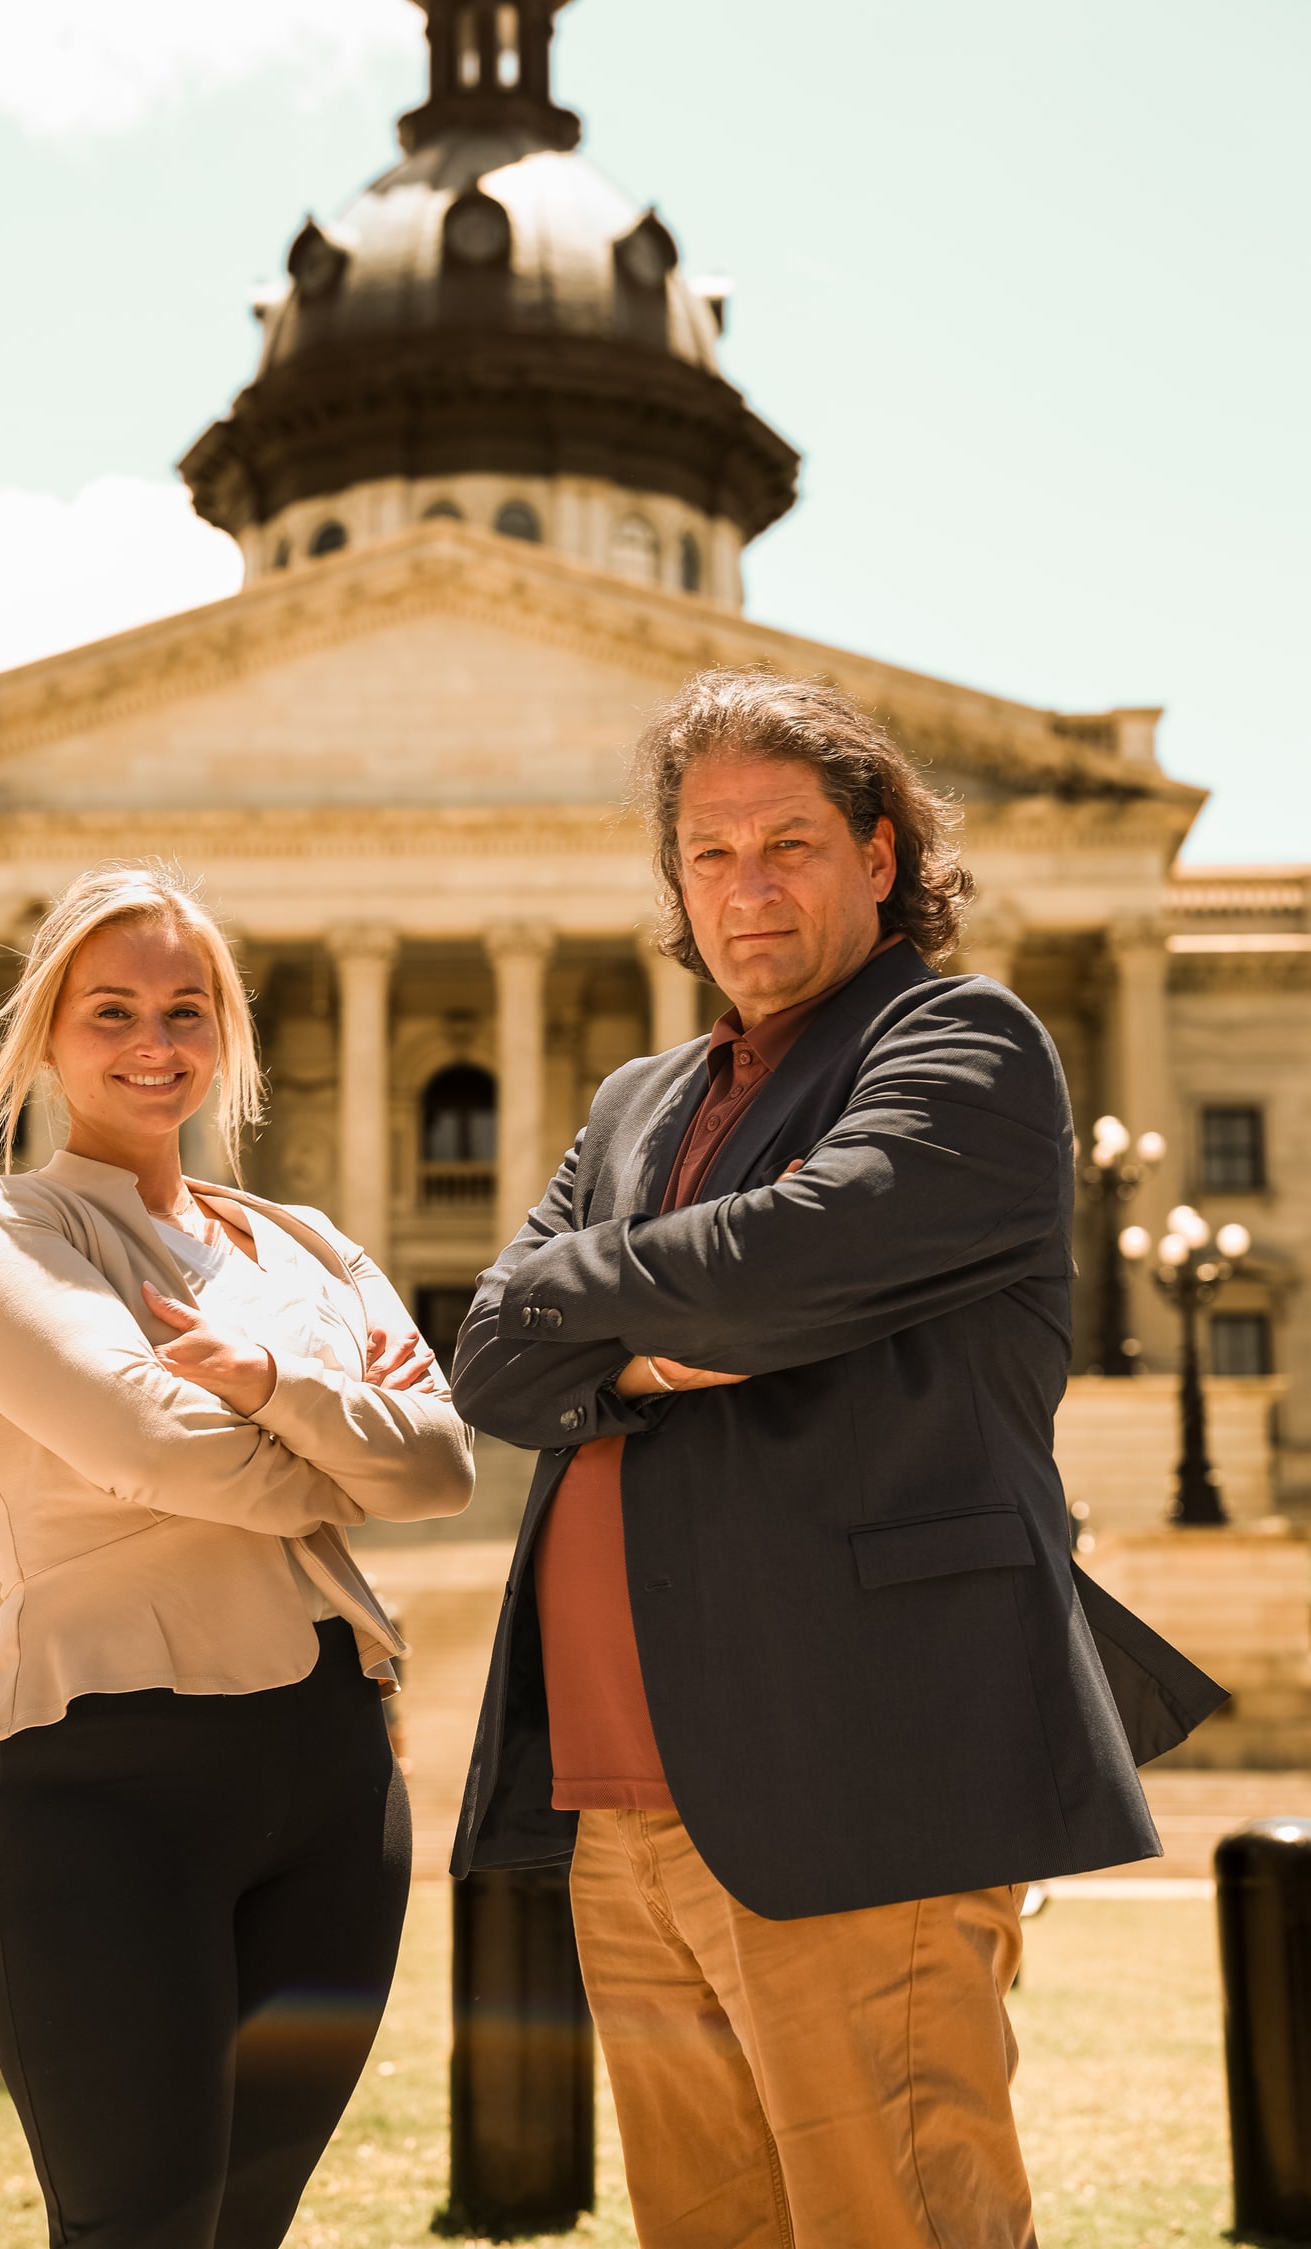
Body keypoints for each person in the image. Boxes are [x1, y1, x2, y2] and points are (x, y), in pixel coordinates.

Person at [450, 669, 1224, 2249]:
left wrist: (606, 1305)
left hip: (858, 1759)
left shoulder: (962, 1040)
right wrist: (664, 1332)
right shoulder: (634, 1101)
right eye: (711, 852)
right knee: (708, 2228)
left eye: (789, 842)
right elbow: (491, 1357)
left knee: (899, 2222)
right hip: (623, 1797)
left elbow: (799, 1256)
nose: (748, 886)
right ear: (674, 884)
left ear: (880, 856)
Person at [0, 864, 473, 2249]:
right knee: (139, 2230)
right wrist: (343, 1442)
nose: (153, 1044)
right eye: (112, 1010)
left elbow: (444, 1465)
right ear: (46, 1029)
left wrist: (273, 1378)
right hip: (102, 1789)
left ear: (226, 1030)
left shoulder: (307, 1244)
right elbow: (153, 1442)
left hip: (338, 1792)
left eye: (186, 1008)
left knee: (248, 2229)